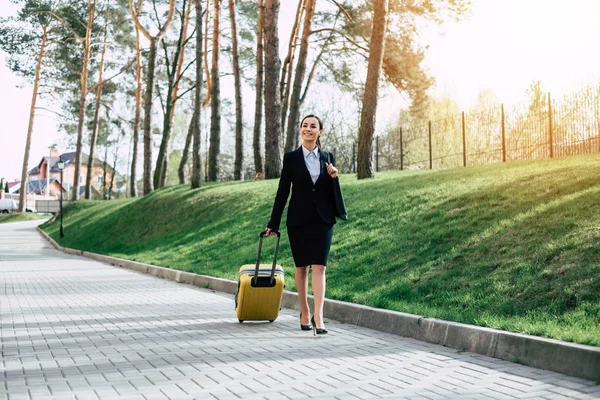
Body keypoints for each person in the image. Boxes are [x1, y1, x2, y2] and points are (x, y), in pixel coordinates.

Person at [265, 114, 339, 335]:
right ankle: (305, 311)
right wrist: (273, 222)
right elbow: (282, 192)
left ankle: (319, 315)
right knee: (301, 267)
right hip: (298, 219)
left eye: (313, 126)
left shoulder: (328, 157)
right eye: (305, 126)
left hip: (323, 219)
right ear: (300, 130)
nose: (308, 129)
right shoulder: (291, 158)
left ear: (320, 132)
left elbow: (331, 192)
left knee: (320, 266)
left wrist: (334, 177)